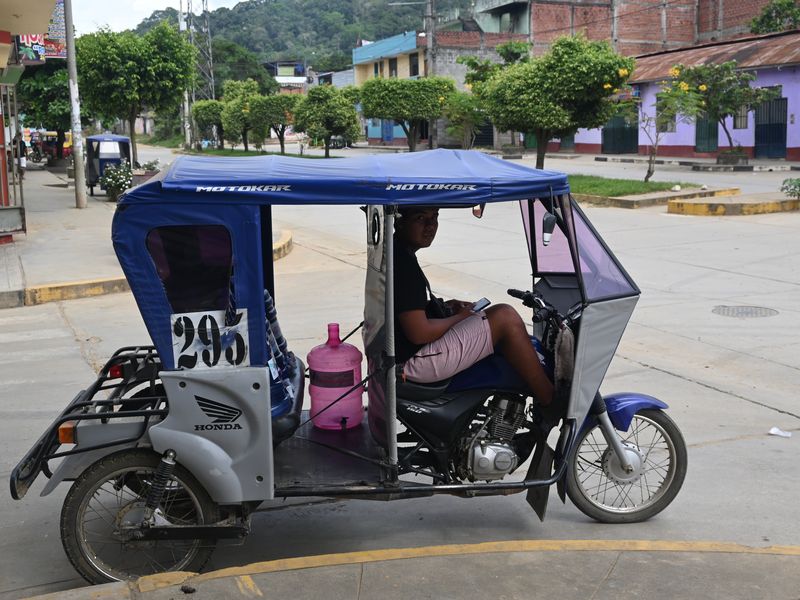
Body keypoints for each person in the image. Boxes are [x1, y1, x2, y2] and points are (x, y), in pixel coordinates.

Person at [394, 206, 554, 407]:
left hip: (400, 356)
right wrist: (461, 317)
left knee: (494, 320)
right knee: (505, 317)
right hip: (410, 363)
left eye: (434, 217)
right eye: (420, 217)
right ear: (399, 222)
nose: (430, 225)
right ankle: (550, 401)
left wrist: (443, 307)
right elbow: (419, 332)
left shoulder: (398, 254)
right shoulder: (403, 265)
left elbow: (405, 307)